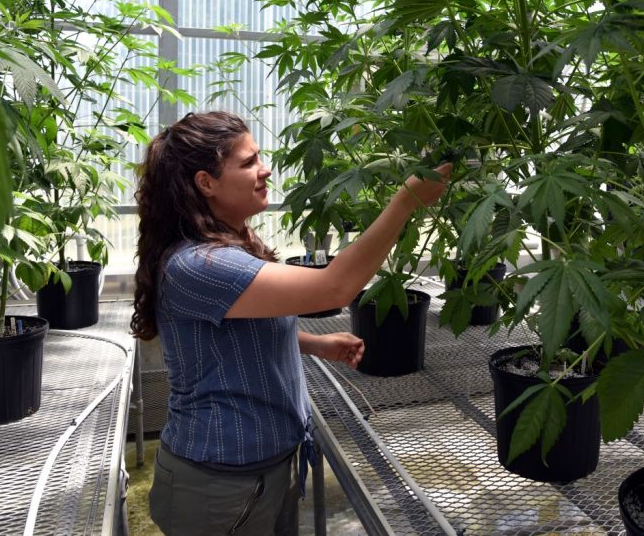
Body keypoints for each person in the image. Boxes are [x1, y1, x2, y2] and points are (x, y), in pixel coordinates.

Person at [131, 111, 451, 535]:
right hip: (219, 486)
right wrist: (405, 201)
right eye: (248, 163)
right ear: (205, 182)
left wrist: (313, 343)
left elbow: (231, 332)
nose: (265, 170)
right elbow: (336, 287)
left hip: (263, 471)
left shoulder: (226, 245)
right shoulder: (200, 264)